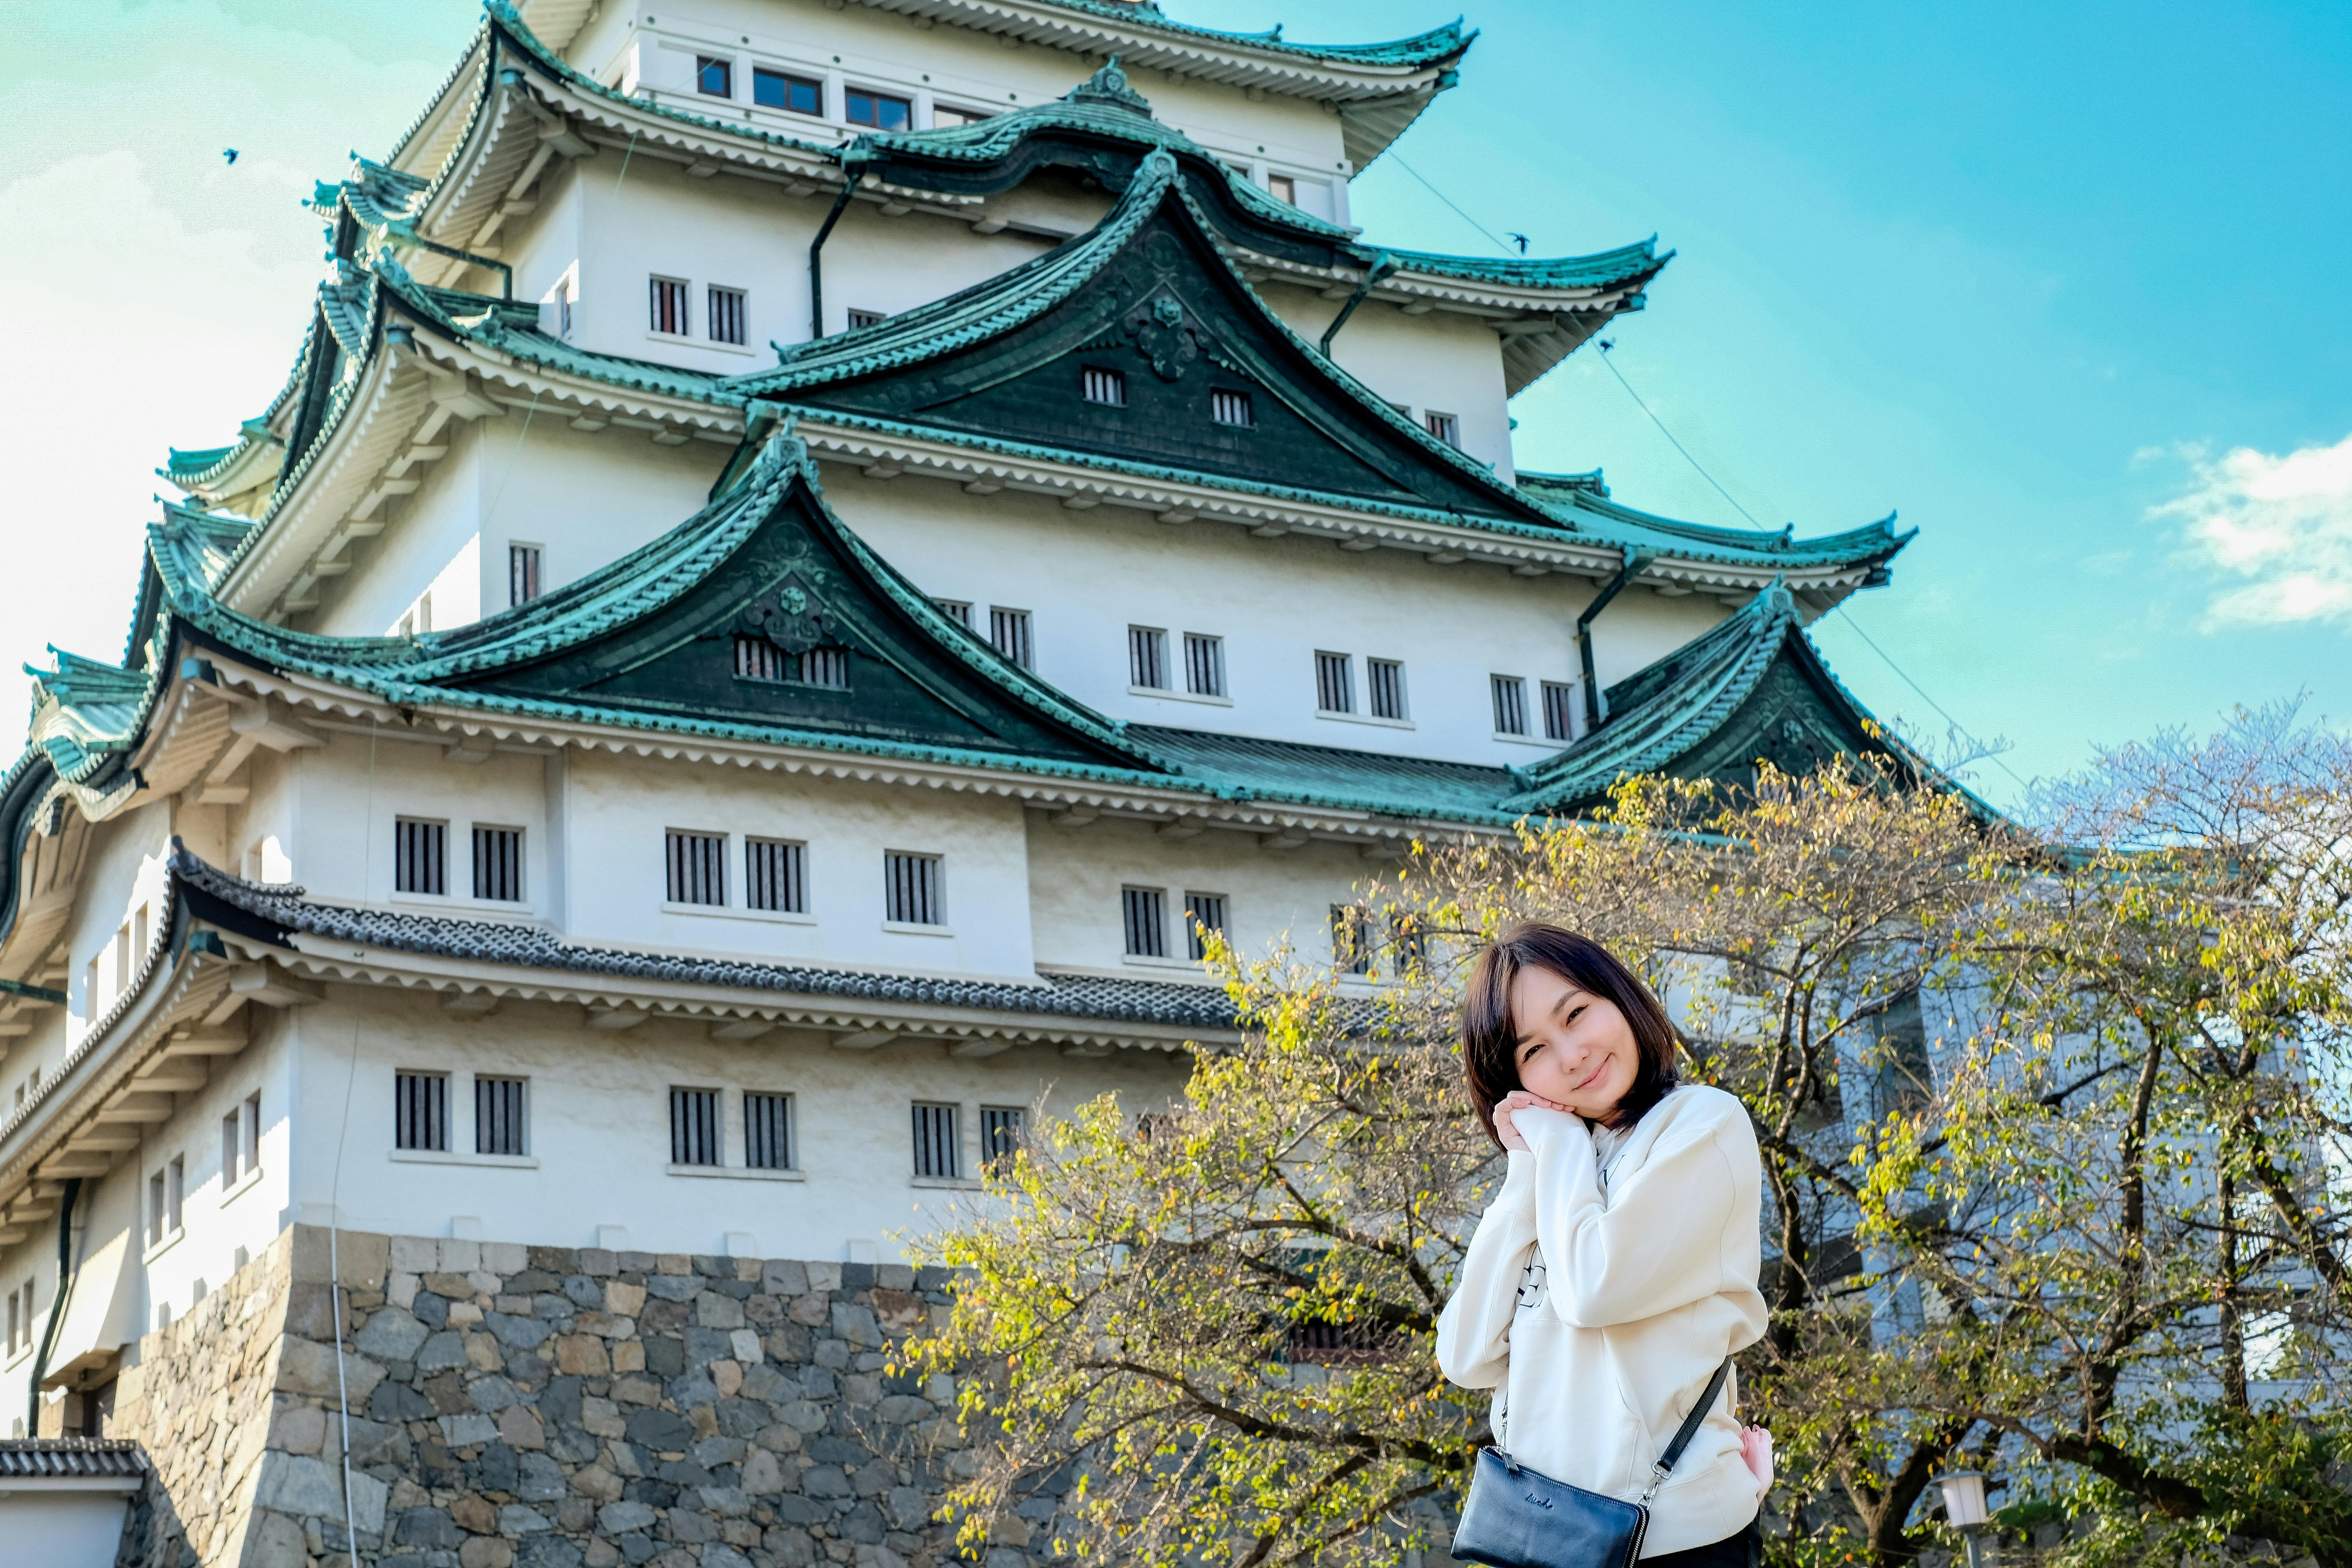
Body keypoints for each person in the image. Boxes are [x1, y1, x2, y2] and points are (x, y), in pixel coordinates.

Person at [1436, 923, 1773, 1566]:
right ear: (1513, 1076)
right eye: (1533, 1049)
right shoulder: (1558, 1172)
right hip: (1542, 1540)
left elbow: (1594, 1289)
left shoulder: (1701, 1124)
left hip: (1672, 1541)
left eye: (1577, 1014)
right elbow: (1466, 1355)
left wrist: (1556, 1142)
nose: (1570, 1056)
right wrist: (1526, 1174)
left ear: (1620, 998)